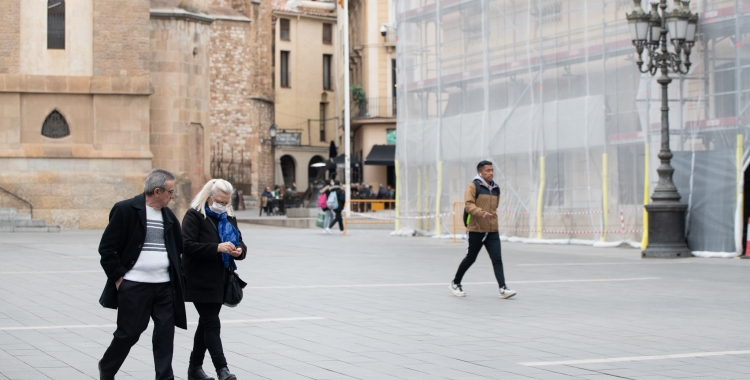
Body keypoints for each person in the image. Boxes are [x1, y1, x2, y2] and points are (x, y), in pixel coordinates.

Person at [97, 168, 186, 380]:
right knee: (129, 333)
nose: (173, 196)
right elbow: (107, 249)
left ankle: (165, 377)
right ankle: (107, 368)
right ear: (157, 191)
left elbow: (178, 248)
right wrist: (119, 277)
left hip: (164, 286)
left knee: (165, 334)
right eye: (170, 192)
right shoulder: (125, 209)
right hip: (134, 286)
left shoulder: (170, 217)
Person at [182, 179, 247, 380]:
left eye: (226, 202)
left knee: (205, 323)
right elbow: (186, 245)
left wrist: (239, 251)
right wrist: (216, 248)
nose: (223, 205)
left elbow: (242, 244)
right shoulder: (194, 215)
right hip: (199, 280)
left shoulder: (228, 217)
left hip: (221, 280)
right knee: (212, 323)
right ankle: (222, 370)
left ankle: (194, 369)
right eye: (219, 201)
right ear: (208, 197)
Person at [449, 161, 516, 299]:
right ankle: (455, 283)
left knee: (497, 259)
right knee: (470, 258)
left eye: (492, 170)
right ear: (480, 172)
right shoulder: (473, 186)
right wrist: (481, 212)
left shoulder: (496, 187)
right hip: (476, 229)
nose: (491, 173)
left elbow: (495, 206)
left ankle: (503, 288)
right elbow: (469, 205)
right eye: (487, 170)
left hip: (492, 230)